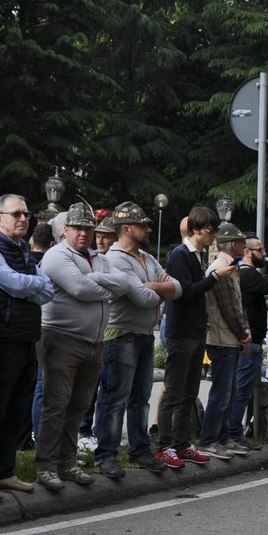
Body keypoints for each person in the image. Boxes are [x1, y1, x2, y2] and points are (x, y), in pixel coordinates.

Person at [35, 202, 123, 491]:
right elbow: (79, 289)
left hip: (94, 342)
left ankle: (67, 462)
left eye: (88, 228)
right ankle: (46, 466)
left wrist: (99, 280)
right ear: (65, 231)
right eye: (78, 228)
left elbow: (122, 284)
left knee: (78, 406)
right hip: (62, 339)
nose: (84, 234)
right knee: (56, 405)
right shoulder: (56, 256)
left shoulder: (98, 259)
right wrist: (106, 286)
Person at [0, 194, 53, 498]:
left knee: (17, 410)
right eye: (16, 213)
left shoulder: (22, 249)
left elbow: (48, 293)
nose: (23, 218)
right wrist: (30, 283)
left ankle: (4, 471)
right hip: (0, 339)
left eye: (26, 214)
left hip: (26, 337)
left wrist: (27, 284)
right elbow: (16, 284)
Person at [92, 201, 176, 478]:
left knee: (141, 398)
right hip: (121, 336)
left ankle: (139, 450)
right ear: (126, 229)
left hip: (142, 336)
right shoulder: (114, 259)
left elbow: (176, 287)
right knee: (115, 398)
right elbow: (144, 298)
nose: (149, 228)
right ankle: (106, 454)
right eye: (143, 225)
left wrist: (155, 286)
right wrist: (157, 288)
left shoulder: (146, 258)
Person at [157, 205, 234, 468]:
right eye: (210, 232)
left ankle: (181, 443)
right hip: (181, 331)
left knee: (189, 391)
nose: (213, 237)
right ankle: (164, 444)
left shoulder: (197, 254)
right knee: (174, 391)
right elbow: (185, 291)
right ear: (197, 229)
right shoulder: (181, 255)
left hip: (195, 330)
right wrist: (214, 276)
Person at [227, 234, 268, 449]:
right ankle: (233, 434)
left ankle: (233, 433)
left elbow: (253, 298)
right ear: (246, 252)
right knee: (242, 391)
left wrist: (264, 306)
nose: (263, 253)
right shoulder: (248, 273)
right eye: (259, 250)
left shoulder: (248, 275)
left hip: (252, 341)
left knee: (241, 389)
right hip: (248, 342)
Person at [199, 223, 253, 460]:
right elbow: (229, 308)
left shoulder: (228, 266)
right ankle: (208, 440)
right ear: (233, 245)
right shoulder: (221, 268)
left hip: (228, 337)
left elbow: (237, 305)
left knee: (228, 393)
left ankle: (222, 439)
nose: (245, 246)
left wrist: (244, 331)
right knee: (221, 393)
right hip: (222, 338)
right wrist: (243, 334)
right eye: (242, 242)